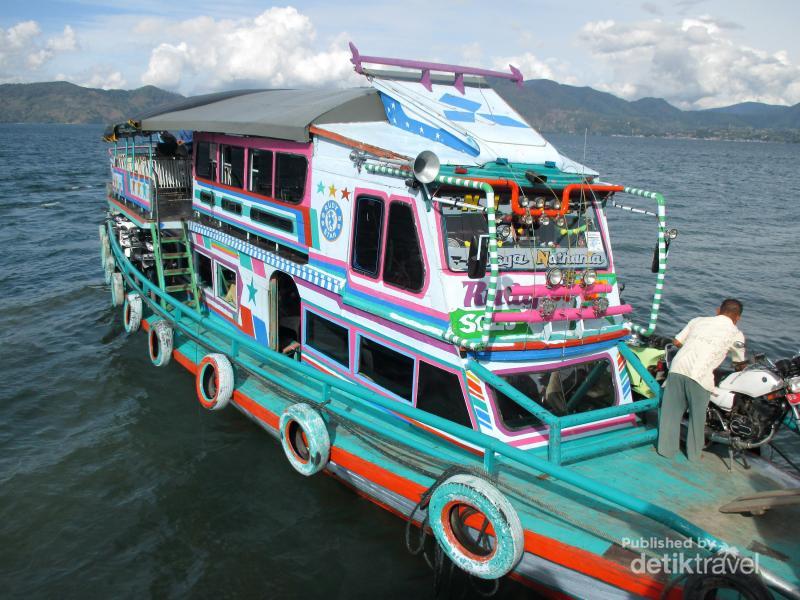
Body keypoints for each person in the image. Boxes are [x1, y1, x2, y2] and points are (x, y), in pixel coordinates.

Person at [657, 298, 747, 461]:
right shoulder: (736, 333)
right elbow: (739, 364)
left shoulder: (698, 320)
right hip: (701, 376)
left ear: (718, 310)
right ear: (738, 317)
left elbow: (676, 342)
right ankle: (694, 454)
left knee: (670, 414)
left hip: (678, 368)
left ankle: (666, 450)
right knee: (697, 418)